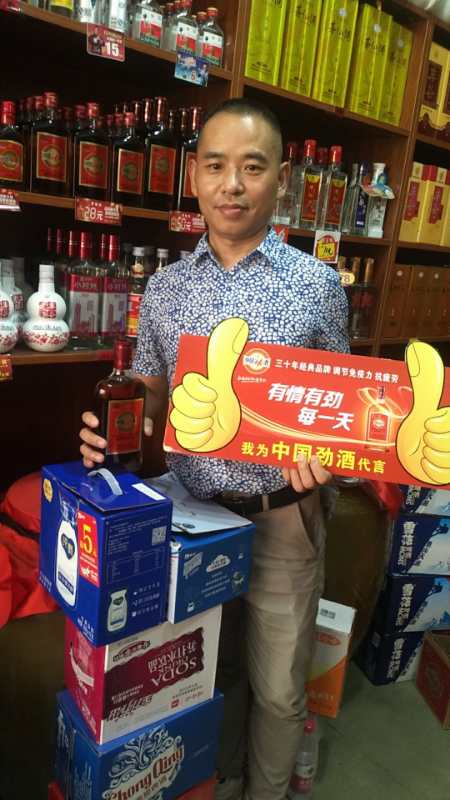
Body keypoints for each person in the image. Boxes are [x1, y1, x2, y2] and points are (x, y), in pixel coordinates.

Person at [80, 97, 349, 800]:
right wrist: (112, 425)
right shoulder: (166, 287)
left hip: (283, 514)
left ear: (281, 179)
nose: (233, 184)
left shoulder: (318, 286)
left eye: (252, 167)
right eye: (216, 165)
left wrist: (330, 461)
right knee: (204, 675)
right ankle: (216, 779)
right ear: (194, 175)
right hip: (193, 519)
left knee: (280, 689)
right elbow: (152, 392)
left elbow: (342, 410)